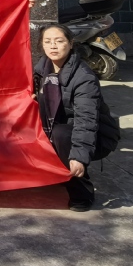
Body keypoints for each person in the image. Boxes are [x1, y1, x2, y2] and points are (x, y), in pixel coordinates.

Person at [34, 25, 100, 211]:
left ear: (71, 44)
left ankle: (82, 192)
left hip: (86, 134)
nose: (53, 46)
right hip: (55, 126)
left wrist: (79, 156)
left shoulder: (84, 78)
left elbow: (85, 121)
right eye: (47, 41)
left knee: (61, 134)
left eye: (59, 41)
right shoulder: (41, 69)